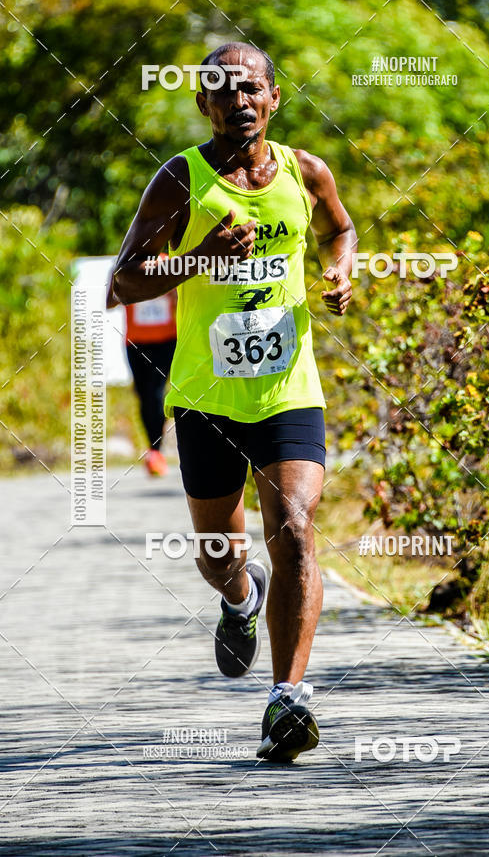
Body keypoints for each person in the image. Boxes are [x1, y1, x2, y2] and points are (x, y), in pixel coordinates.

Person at [107, 42, 355, 762]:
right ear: (203, 106)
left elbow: (339, 228)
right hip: (207, 396)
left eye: (251, 89)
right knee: (221, 553)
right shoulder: (179, 178)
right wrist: (203, 257)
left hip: (288, 390)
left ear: (275, 98)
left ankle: (288, 700)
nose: (238, 100)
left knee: (298, 527)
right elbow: (123, 282)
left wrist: (341, 268)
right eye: (222, 90)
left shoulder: (307, 172)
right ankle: (240, 597)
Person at [122, 281, 177, 476]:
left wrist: (171, 292)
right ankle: (152, 447)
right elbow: (111, 299)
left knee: (155, 393)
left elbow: (182, 299)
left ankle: (155, 450)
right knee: (143, 395)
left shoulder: (168, 262)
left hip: (165, 340)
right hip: (135, 342)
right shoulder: (127, 261)